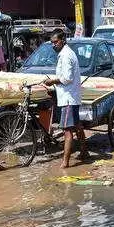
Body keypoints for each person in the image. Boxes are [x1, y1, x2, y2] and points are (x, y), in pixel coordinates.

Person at [43, 32, 86, 169]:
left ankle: (65, 162)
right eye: (52, 42)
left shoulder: (66, 55)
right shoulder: (65, 53)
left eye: (55, 42)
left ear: (63, 40)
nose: (53, 45)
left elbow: (67, 78)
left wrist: (52, 81)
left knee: (68, 131)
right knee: (77, 125)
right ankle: (85, 152)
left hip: (68, 98)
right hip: (69, 95)